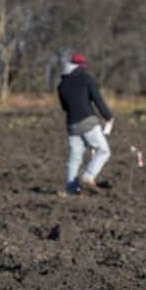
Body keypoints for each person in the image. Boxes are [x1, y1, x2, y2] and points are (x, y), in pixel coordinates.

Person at [57, 52, 114, 195]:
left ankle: (71, 189)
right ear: (81, 66)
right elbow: (97, 99)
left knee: (74, 159)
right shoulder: (86, 79)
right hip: (88, 121)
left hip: (72, 125)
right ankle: (88, 176)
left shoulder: (61, 85)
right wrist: (108, 116)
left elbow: (65, 107)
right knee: (103, 151)